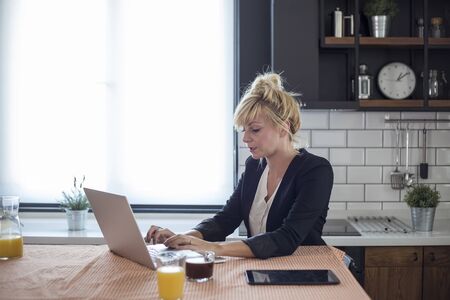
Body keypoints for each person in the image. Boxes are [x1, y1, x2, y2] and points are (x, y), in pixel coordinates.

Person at [145, 72, 333, 259]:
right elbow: (225, 220)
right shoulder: (254, 167)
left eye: (255, 129)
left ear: (283, 127)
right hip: (263, 271)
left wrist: (214, 248)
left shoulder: (315, 171)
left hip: (307, 270)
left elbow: (286, 238)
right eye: (244, 130)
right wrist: (184, 238)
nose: (245, 138)